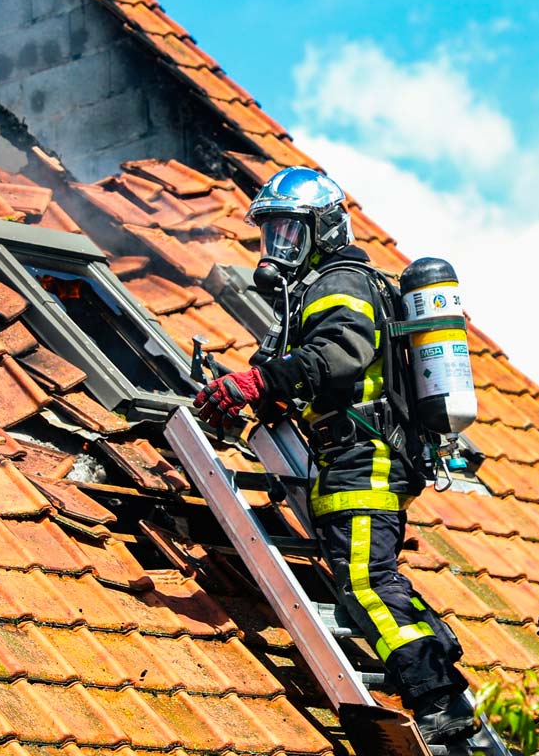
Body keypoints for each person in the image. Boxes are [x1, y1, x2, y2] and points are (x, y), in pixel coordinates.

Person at [194, 166, 478, 746]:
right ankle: (440, 676)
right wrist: (256, 386)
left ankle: (437, 701)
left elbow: (339, 355)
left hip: (362, 459)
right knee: (374, 580)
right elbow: (296, 369)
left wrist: (256, 384)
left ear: (323, 228)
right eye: (272, 235)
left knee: (367, 584)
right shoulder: (317, 290)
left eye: (290, 234)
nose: (279, 248)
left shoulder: (340, 283)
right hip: (348, 455)